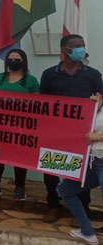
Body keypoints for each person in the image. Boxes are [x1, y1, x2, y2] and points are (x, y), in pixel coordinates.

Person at [40, 34, 103, 223]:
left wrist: (98, 103)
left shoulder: (93, 74)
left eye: (83, 46)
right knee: (49, 167)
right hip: (55, 131)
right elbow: (43, 103)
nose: (80, 49)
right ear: (64, 50)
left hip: (82, 133)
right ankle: (53, 205)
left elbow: (101, 98)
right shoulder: (49, 74)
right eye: (76, 46)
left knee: (80, 170)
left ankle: (81, 209)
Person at [0, 49, 39, 201]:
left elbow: (37, 105)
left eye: (17, 59)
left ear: (23, 61)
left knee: (19, 157)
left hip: (21, 126)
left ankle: (20, 187)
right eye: (10, 59)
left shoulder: (31, 81)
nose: (13, 61)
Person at [60, 94, 103, 245]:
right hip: (94, 161)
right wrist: (93, 107)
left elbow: (94, 135)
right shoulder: (97, 107)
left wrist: (98, 137)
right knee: (66, 189)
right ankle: (87, 232)